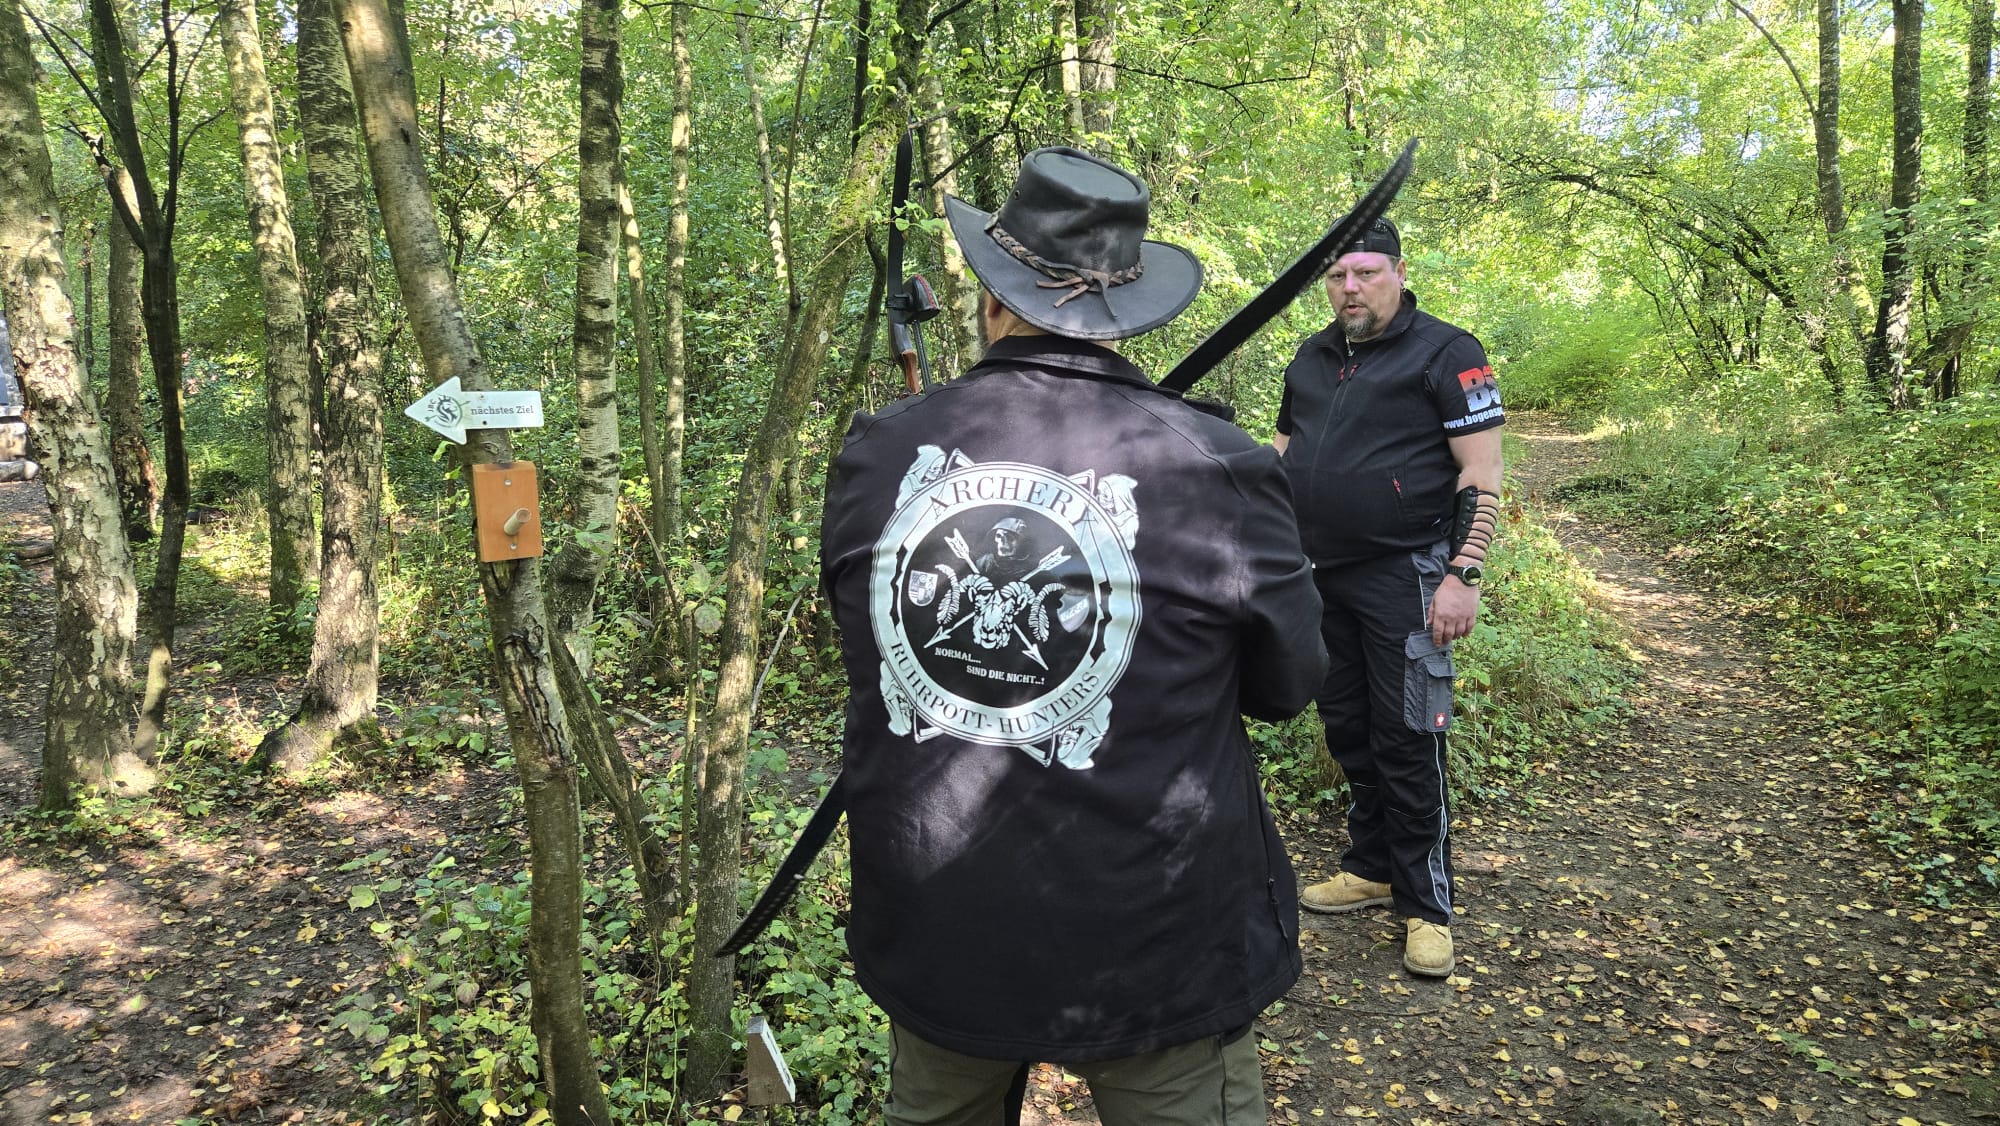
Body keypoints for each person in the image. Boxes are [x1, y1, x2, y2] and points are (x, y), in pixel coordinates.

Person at [820, 147, 1329, 1125]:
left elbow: (873, 655)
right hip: (1155, 938)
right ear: (1129, 312)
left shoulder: (878, 452)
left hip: (942, 925)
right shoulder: (1216, 465)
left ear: (990, 299)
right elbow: (1287, 684)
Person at [1271, 215, 1503, 979]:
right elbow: (1281, 456)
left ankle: (1427, 906)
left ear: (1400, 272)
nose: (1351, 287)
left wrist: (1463, 574)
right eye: (1338, 275)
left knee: (1409, 736)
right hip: (1319, 575)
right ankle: (1370, 868)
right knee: (1348, 728)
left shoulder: (1451, 353)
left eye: (1366, 272)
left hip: (1407, 573)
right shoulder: (1311, 357)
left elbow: (1481, 475)